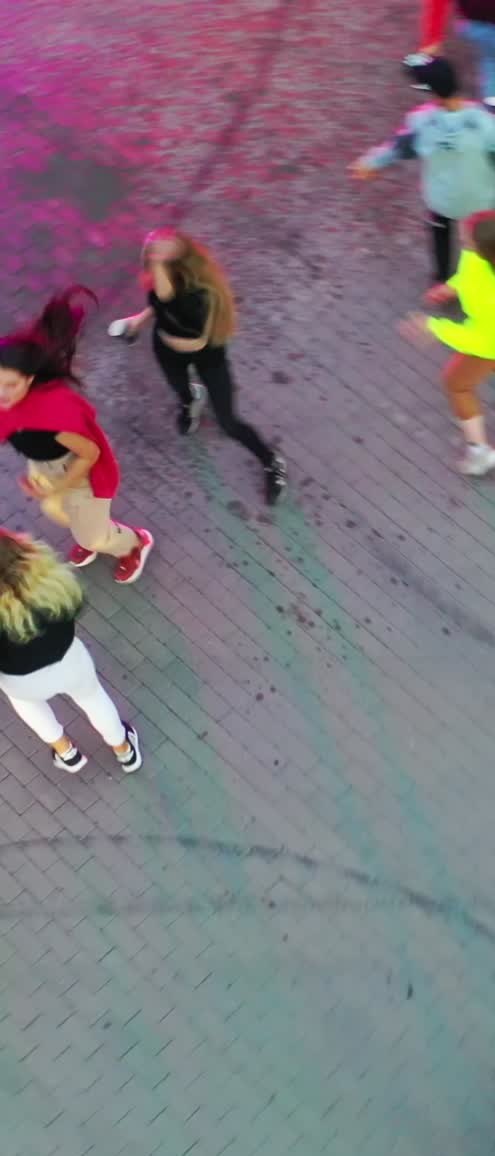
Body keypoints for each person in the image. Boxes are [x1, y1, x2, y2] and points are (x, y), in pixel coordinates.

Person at [110, 231, 288, 505]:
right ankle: (190, 401)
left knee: (229, 422)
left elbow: (181, 319)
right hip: (167, 351)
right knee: (181, 390)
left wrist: (158, 273)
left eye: (156, 260)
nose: (150, 265)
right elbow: (159, 303)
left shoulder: (200, 295)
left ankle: (271, 461)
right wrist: (137, 321)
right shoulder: (161, 282)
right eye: (149, 259)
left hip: (208, 356)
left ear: (179, 263)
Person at [0, 288, 153, 585]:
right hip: (45, 466)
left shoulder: (54, 414)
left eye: (10, 385)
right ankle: (94, 531)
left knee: (89, 532)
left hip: (78, 471)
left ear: (29, 380)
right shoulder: (7, 404)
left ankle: (133, 543)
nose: (1, 395)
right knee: (58, 511)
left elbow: (91, 454)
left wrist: (58, 487)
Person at [353, 57, 495, 298]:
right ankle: (481, 279)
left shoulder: (422, 122)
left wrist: (370, 163)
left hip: (441, 200)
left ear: (431, 93)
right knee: (481, 240)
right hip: (481, 202)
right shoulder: (485, 123)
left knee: (441, 235)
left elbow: (398, 148)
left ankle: (442, 280)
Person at [398, 212, 495, 477]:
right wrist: (452, 287)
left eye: (466, 239)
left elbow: (478, 339)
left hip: (493, 336)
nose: (462, 240)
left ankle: (480, 451)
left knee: (457, 384)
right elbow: (471, 269)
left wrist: (434, 327)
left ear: (483, 250)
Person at [0, 529, 141, 774]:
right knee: (93, 699)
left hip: (18, 680)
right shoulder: (49, 578)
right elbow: (74, 606)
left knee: (31, 708)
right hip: (69, 660)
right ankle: (125, 752)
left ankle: (67, 754)